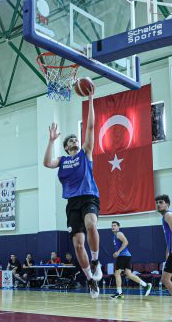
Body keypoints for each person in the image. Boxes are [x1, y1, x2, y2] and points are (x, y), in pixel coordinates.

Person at [42, 91, 103, 298]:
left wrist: (91, 99)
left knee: (91, 225)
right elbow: (47, 163)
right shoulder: (62, 160)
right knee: (78, 245)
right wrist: (51, 141)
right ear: (67, 146)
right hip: (72, 202)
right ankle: (89, 280)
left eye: (77, 139)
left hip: (89, 196)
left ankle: (95, 260)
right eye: (71, 141)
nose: (75, 141)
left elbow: (91, 127)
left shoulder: (85, 153)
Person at [110, 221, 152, 299]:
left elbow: (126, 242)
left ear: (118, 227)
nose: (113, 227)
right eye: (112, 226)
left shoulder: (119, 233)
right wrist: (116, 253)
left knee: (117, 273)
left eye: (115, 225)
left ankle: (119, 293)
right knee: (128, 274)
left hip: (124, 256)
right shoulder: (115, 235)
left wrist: (118, 252)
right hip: (126, 256)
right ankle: (146, 285)